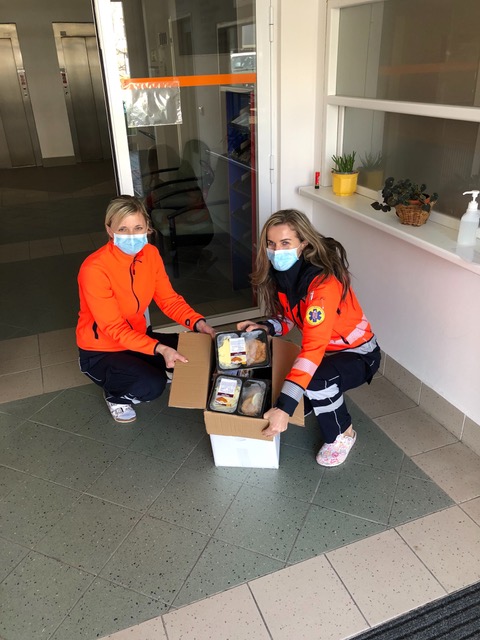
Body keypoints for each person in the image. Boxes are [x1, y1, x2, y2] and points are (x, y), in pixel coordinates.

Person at [238, 209, 380, 467]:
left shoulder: (323, 285)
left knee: (314, 382)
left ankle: (342, 433)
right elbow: (291, 318)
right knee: (289, 383)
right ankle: (315, 396)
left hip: (359, 354)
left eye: (285, 243)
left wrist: (284, 408)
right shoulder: (287, 276)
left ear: (304, 243)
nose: (276, 251)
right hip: (325, 352)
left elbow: (312, 350)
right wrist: (265, 327)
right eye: (271, 244)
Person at [76, 195, 215, 423]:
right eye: (123, 229)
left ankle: (149, 366)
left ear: (147, 228)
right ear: (109, 230)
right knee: (151, 385)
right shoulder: (94, 269)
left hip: (138, 337)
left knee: (200, 349)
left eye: (138, 227)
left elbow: (169, 300)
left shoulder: (150, 254)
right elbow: (114, 329)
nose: (132, 235)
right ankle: (115, 395)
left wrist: (198, 323)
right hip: (102, 350)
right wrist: (159, 348)